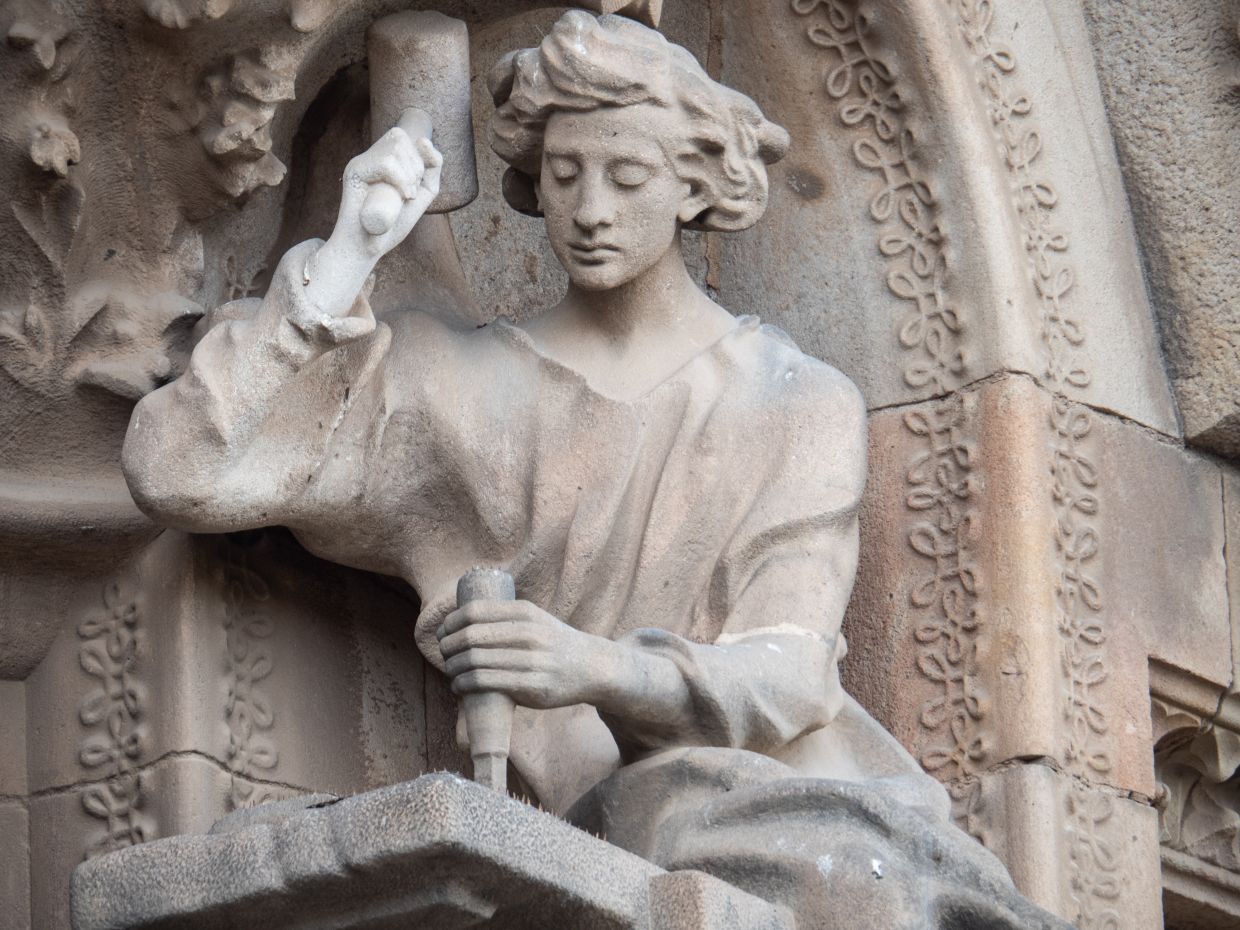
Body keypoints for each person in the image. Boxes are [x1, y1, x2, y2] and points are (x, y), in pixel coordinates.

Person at [123, 12, 1067, 928]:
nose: (591, 210)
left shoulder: (795, 401)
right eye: (566, 174)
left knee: (902, 891)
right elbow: (182, 470)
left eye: (628, 175)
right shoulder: (454, 386)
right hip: (624, 820)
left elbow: (791, 673)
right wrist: (348, 254)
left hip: (803, 793)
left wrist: (591, 665)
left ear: (698, 185)